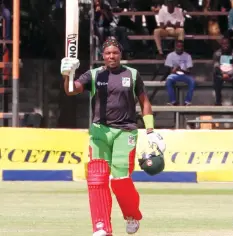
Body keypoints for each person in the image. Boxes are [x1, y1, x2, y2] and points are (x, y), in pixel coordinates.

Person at [60, 38, 166, 236]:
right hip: (100, 132)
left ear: (120, 55)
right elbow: (71, 90)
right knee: (97, 178)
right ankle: (101, 227)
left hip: (125, 132)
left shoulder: (132, 74)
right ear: (103, 56)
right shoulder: (94, 74)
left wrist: (150, 130)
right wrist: (67, 75)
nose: (111, 56)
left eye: (115, 53)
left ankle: (132, 214)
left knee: (120, 180)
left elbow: (144, 102)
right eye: (108, 53)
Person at [165, 40, 195, 105]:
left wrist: (182, 70)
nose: (179, 48)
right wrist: (174, 70)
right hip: (174, 74)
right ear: (175, 47)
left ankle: (187, 101)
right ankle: (173, 101)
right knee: (168, 80)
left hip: (184, 74)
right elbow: (169, 70)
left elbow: (189, 71)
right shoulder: (170, 55)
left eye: (181, 46)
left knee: (192, 81)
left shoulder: (187, 56)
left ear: (183, 47)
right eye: (178, 46)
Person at [213, 37, 233, 105]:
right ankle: (218, 101)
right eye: (223, 44)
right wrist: (223, 74)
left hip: (231, 74)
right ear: (221, 44)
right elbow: (216, 67)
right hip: (221, 74)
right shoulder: (217, 54)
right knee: (216, 77)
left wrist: (229, 74)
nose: (225, 45)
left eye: (227, 43)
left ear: (229, 44)